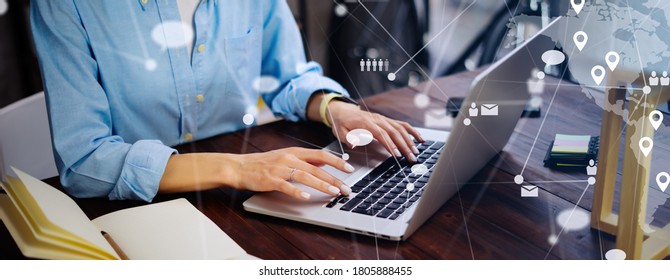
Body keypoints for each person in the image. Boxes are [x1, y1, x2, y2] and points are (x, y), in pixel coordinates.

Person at [31, 0, 423, 202]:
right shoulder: (67, 5)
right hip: (139, 211)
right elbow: (83, 161)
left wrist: (334, 109)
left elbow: (287, 75)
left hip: (248, 192)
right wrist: (236, 168)